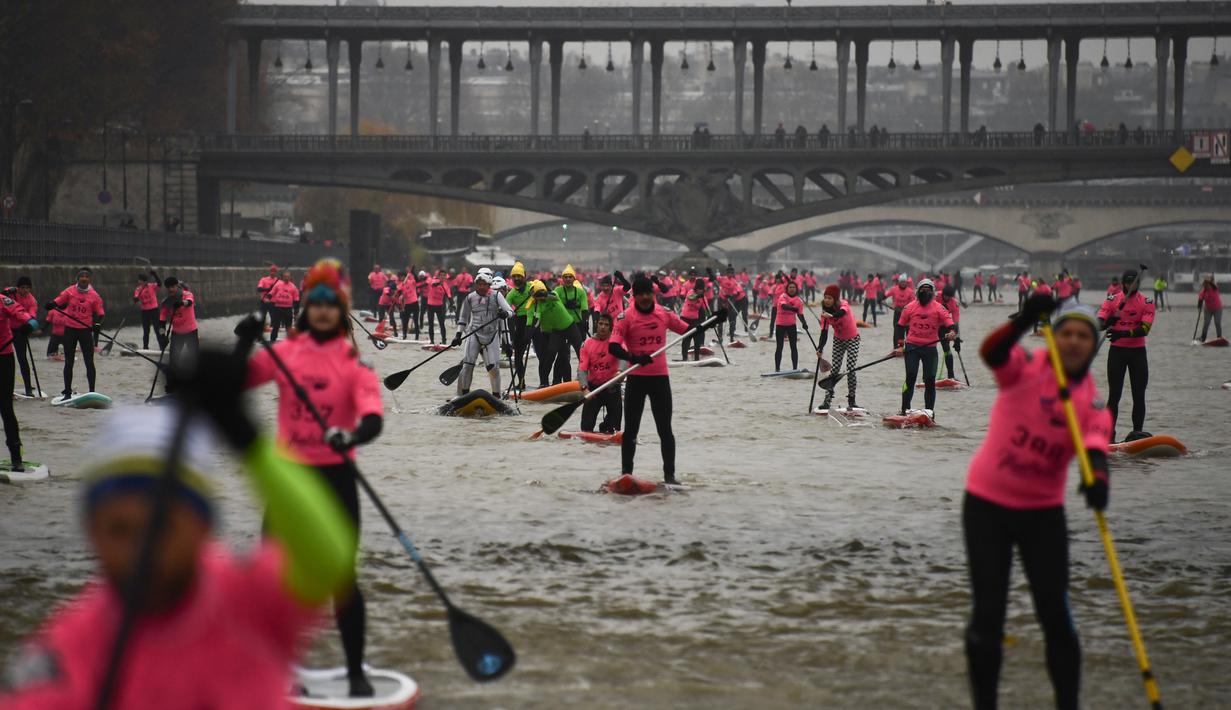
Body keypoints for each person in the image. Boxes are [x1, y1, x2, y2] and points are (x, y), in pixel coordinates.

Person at [0, 388, 358, 706]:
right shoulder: (69, 648)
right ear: (92, 532)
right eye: (119, 530)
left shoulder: (248, 599)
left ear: (204, 527)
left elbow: (330, 559)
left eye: (161, 527)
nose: (140, 549)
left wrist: (249, 442)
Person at [241, 258, 383, 697]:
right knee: (273, 579)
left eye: (331, 302)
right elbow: (232, 385)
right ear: (306, 306)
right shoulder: (283, 354)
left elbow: (372, 417)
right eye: (316, 301)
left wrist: (353, 433)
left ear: (341, 310)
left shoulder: (354, 363)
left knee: (342, 579)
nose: (322, 309)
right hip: (289, 481)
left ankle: (355, 671)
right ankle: (277, 669)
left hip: (337, 477)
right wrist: (242, 345)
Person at [962, 295, 1111, 710]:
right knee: (988, 614)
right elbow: (991, 352)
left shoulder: (1094, 402)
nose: (1075, 341)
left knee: (1056, 616)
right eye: (1067, 333)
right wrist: (1025, 317)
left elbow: (1096, 446)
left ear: (1093, 346)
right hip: (986, 506)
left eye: (1084, 336)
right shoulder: (1025, 369)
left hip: (1043, 515)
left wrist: (1098, 479)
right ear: (1053, 337)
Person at [609, 277, 710, 485]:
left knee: (665, 429)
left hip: (659, 379)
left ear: (653, 295)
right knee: (631, 430)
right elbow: (613, 346)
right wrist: (633, 358)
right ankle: (626, 474)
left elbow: (686, 330)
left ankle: (670, 476)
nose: (645, 298)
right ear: (634, 296)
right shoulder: (625, 317)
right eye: (641, 294)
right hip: (636, 378)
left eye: (648, 294)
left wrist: (708, 322)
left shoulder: (663, 314)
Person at [1097, 269, 1154, 442]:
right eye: (1129, 283)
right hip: (1117, 353)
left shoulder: (1146, 302)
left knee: (1139, 394)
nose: (1132, 286)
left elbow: (1144, 329)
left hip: (1137, 352)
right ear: (1123, 283)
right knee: (1114, 395)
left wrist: (1122, 334)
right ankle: (1109, 435)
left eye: (1135, 283)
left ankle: (1137, 433)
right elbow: (1098, 324)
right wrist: (1107, 322)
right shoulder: (1112, 300)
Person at [898, 279, 957, 416]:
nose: (925, 292)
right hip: (912, 347)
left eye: (928, 290)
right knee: (910, 376)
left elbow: (950, 323)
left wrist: (952, 332)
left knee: (930, 380)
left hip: (930, 349)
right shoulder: (909, 307)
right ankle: (904, 410)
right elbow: (900, 326)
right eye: (923, 290)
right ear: (917, 292)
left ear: (933, 292)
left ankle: (929, 412)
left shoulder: (939, 308)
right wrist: (900, 346)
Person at [47, 268, 105, 403]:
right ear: (77, 279)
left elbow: (101, 314)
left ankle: (92, 391)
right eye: (82, 277)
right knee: (69, 362)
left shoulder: (94, 296)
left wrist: (97, 324)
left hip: (85, 331)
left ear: (89, 280)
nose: (84, 278)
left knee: (89, 362)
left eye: (87, 277)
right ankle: (67, 392)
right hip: (70, 331)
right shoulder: (69, 291)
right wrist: (51, 304)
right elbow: (58, 300)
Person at [452, 272, 513, 396]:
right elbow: (463, 318)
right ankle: (464, 395)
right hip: (473, 334)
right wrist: (458, 335)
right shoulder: (470, 297)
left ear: (489, 285)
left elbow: (511, 311)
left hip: (492, 336)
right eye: (478, 284)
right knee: (467, 366)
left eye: (484, 284)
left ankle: (496, 396)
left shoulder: (497, 296)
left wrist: (505, 314)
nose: (481, 287)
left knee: (494, 368)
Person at [0, 291, 36, 470]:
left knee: (5, 408)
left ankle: (16, 458)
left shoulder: (3, 301)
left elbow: (31, 319)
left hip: (3, 358)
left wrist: (28, 325)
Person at [817, 284, 861, 412]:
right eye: (825, 297)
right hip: (838, 341)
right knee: (834, 370)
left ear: (835, 299)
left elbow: (840, 314)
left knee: (850, 369)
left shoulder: (844, 305)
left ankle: (852, 400)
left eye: (830, 298)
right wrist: (820, 348)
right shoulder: (824, 315)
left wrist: (831, 316)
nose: (827, 300)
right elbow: (824, 333)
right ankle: (827, 401)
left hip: (853, 340)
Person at [578, 313, 622, 434]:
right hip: (593, 390)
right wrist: (584, 389)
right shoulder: (587, 344)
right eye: (600, 324)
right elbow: (582, 369)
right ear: (596, 325)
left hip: (612, 388)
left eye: (606, 325)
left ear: (611, 328)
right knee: (586, 428)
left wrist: (620, 372)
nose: (603, 327)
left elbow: (625, 359)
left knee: (614, 430)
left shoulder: (616, 343)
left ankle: (606, 426)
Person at [531, 280, 577, 386]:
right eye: (532, 292)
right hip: (544, 334)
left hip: (557, 331)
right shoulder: (535, 304)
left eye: (538, 291)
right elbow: (534, 319)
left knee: (563, 357)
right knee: (546, 359)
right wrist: (531, 330)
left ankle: (561, 382)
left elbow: (554, 296)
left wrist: (543, 293)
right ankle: (544, 383)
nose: (535, 295)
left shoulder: (552, 295)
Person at [160, 277, 200, 382]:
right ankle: (172, 384)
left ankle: (197, 382)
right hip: (177, 334)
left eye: (173, 287)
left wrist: (181, 303)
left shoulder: (187, 294)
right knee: (173, 361)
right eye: (168, 288)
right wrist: (162, 336)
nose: (171, 290)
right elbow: (162, 322)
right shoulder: (166, 302)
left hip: (190, 332)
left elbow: (189, 302)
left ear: (177, 286)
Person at [505, 263, 535, 392]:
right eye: (514, 276)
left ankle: (545, 383)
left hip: (535, 322)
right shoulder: (511, 294)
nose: (517, 279)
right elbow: (506, 310)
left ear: (524, 276)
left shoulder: (532, 287)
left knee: (545, 354)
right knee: (518, 357)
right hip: (520, 324)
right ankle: (521, 382)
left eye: (519, 276)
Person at [9, 276, 39, 396]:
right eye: (22, 288)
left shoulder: (32, 301)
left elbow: (32, 316)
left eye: (27, 288)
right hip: (7, 329)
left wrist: (29, 326)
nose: (25, 290)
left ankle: (28, 388)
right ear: (18, 288)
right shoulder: (11, 294)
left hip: (20, 331)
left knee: (22, 359)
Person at [554, 265, 589, 353]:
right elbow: (553, 301)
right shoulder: (558, 290)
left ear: (574, 279)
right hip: (563, 324)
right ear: (562, 279)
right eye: (565, 277)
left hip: (577, 323)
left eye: (570, 277)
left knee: (580, 351)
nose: (568, 279)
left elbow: (585, 309)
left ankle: (583, 366)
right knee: (564, 352)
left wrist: (585, 321)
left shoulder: (581, 292)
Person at [773, 281, 806, 371]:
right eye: (790, 287)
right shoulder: (783, 297)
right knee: (779, 347)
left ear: (796, 289)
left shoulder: (798, 300)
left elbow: (800, 314)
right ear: (787, 289)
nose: (792, 289)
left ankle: (795, 368)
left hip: (792, 325)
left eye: (794, 287)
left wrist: (804, 323)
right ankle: (777, 369)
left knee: (794, 347)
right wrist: (792, 308)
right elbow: (783, 306)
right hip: (780, 325)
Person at [679, 277, 710, 362]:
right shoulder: (690, 292)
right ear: (696, 288)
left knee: (697, 339)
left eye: (701, 289)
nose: (700, 291)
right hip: (685, 319)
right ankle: (684, 358)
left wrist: (710, 317)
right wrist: (698, 296)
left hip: (695, 319)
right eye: (699, 289)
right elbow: (691, 298)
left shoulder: (703, 298)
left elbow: (707, 309)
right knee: (686, 339)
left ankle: (696, 359)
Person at [882, 275, 916, 349]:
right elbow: (885, 296)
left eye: (905, 282)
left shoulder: (910, 291)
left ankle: (908, 347)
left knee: (907, 331)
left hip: (907, 313)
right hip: (897, 312)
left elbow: (914, 304)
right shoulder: (894, 289)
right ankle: (896, 347)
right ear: (899, 282)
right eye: (902, 282)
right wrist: (882, 298)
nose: (903, 283)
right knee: (897, 331)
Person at [133, 270, 163, 350]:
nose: (139, 282)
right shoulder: (138, 289)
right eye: (139, 280)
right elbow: (135, 298)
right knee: (146, 331)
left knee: (157, 329)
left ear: (145, 281)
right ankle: (145, 348)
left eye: (141, 280)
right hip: (145, 312)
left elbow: (160, 284)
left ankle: (161, 347)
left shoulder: (152, 286)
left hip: (154, 310)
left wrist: (155, 275)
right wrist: (136, 299)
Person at [268, 270, 300, 343]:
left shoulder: (293, 287)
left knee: (288, 327)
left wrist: (296, 311)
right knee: (275, 326)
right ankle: (272, 341)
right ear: (282, 277)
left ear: (290, 277)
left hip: (288, 309)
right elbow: (272, 292)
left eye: (288, 277)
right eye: (285, 277)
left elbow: (296, 300)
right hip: (278, 308)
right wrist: (267, 298)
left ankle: (290, 342)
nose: (286, 278)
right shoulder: (278, 284)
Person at [939, 284, 962, 381]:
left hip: (944, 326)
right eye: (945, 296)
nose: (946, 298)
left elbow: (956, 322)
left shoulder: (954, 303)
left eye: (949, 296)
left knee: (947, 349)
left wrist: (956, 338)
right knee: (929, 350)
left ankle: (951, 375)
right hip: (932, 325)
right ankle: (926, 377)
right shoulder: (935, 296)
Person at [422, 269, 451, 344]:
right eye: (441, 275)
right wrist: (439, 283)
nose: (442, 277)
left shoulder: (446, 285)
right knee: (431, 324)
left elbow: (449, 296)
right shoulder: (433, 281)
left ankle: (444, 341)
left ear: (445, 277)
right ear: (438, 276)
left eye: (444, 275)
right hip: (430, 306)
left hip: (439, 306)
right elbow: (433, 285)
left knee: (442, 324)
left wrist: (452, 304)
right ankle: (432, 341)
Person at [1197, 276, 1223, 342]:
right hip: (1208, 310)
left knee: (1217, 323)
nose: (1206, 286)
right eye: (1205, 285)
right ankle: (1203, 337)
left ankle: (1219, 337)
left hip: (1218, 309)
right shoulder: (1203, 292)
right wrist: (1199, 306)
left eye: (1208, 284)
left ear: (1210, 284)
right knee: (1206, 323)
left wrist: (1209, 279)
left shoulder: (1215, 288)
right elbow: (1200, 300)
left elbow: (1213, 283)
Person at [257, 264, 279, 329]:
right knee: (262, 316)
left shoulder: (278, 281)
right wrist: (267, 289)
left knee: (274, 317)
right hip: (264, 301)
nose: (272, 272)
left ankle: (273, 329)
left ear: (276, 272)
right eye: (271, 271)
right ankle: (261, 328)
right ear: (269, 271)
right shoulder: (263, 279)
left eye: (274, 271)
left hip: (273, 302)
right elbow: (258, 289)